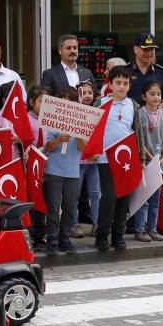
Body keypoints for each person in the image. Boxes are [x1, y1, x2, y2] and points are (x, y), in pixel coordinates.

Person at [95, 65, 137, 252]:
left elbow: (139, 133)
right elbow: (91, 130)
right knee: (110, 195)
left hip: (126, 160)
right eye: (117, 83)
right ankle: (102, 234)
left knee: (123, 196)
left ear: (129, 86)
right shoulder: (100, 103)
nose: (121, 86)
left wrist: (141, 159)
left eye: (125, 83)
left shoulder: (133, 105)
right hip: (105, 157)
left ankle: (118, 234)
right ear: (110, 84)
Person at [132, 79, 163, 241]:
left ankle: (152, 228)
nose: (156, 97)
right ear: (144, 96)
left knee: (156, 198)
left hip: (160, 161)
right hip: (145, 161)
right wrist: (149, 156)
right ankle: (140, 229)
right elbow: (139, 139)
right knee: (142, 197)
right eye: (152, 94)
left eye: (158, 94)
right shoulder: (139, 114)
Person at [41, 107, 81, 255]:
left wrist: (79, 136)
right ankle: (52, 239)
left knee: (69, 207)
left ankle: (65, 238)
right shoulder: (53, 122)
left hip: (72, 172)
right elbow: (48, 147)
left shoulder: (79, 123)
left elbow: (84, 149)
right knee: (53, 207)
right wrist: (59, 139)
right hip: (54, 171)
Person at [75, 79, 101, 234]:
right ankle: (74, 224)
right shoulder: (74, 114)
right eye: (83, 93)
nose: (87, 96)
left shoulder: (98, 112)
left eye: (90, 93)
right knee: (75, 193)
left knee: (95, 193)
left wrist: (95, 153)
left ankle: (96, 223)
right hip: (78, 160)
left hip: (94, 161)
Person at [129, 33, 163, 112]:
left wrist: (157, 108)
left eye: (152, 49)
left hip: (153, 120)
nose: (149, 53)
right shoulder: (126, 71)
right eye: (145, 49)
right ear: (135, 49)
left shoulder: (160, 73)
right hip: (131, 119)